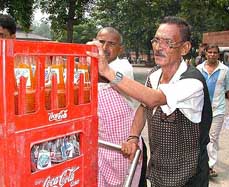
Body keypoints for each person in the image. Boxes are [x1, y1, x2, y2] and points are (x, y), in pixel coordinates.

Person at [88, 16, 212, 186]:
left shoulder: (193, 81)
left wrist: (107, 71)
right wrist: (133, 137)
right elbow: (143, 106)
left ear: (184, 48)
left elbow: (153, 99)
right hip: (159, 170)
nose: (158, 47)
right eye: (156, 40)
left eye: (167, 42)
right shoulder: (154, 74)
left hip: (188, 174)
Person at [96, 27, 144, 187]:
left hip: (123, 146)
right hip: (102, 146)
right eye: (101, 42)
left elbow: (105, 77)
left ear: (120, 49)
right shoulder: (91, 65)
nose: (104, 48)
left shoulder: (123, 68)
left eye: (111, 44)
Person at [196, 44, 229, 177]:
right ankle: (201, 162)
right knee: (201, 137)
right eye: (210, 52)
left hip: (217, 110)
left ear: (218, 55)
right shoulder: (198, 69)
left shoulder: (224, 70)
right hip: (200, 110)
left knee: (212, 137)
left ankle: (209, 166)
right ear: (206, 54)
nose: (212, 55)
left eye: (215, 53)